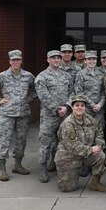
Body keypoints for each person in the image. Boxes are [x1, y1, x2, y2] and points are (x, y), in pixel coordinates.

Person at [0, 49, 37, 181]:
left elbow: (37, 89)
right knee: (4, 141)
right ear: (10, 61)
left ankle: (18, 165)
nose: (16, 62)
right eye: (13, 60)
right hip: (7, 114)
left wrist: (28, 100)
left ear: (21, 61)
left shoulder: (28, 76)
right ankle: (1, 168)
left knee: (21, 141)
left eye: (18, 60)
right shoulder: (2, 76)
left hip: (23, 114)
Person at [54, 95, 106, 193]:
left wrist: (99, 145)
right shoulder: (67, 123)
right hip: (69, 157)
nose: (80, 107)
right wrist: (91, 150)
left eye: (82, 105)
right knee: (67, 188)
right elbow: (73, 146)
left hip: (85, 154)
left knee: (100, 155)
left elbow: (99, 133)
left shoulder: (90, 120)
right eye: (77, 105)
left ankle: (95, 183)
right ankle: (72, 173)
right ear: (72, 107)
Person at [35, 50, 75, 183]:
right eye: (53, 58)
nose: (57, 60)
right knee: (45, 142)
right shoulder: (42, 77)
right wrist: (57, 108)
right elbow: (43, 96)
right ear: (48, 60)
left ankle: (60, 166)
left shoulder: (66, 76)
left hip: (65, 113)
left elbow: (72, 92)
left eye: (58, 57)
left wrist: (67, 106)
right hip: (49, 115)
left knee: (63, 141)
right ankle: (43, 169)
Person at [74, 50, 106, 127]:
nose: (92, 61)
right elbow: (79, 92)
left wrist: (100, 104)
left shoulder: (101, 74)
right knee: (86, 131)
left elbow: (104, 91)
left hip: (99, 110)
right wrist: (91, 104)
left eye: (94, 59)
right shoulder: (80, 74)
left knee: (99, 130)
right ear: (85, 61)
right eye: (89, 59)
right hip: (86, 109)